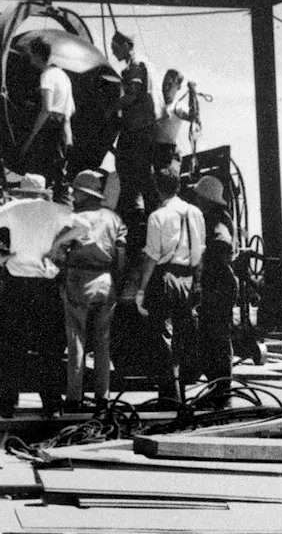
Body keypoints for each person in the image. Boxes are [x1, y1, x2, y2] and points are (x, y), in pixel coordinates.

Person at [0, 173, 75, 418]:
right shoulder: (56, 210)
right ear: (44, 192)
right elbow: (83, 226)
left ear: (22, 190)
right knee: (49, 348)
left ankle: (8, 404)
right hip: (45, 283)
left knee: (11, 345)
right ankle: (51, 403)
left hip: (16, 282)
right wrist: (55, 246)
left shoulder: (12, 207)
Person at [125, 165, 204, 409]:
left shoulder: (157, 216)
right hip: (188, 278)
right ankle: (178, 394)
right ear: (178, 186)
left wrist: (141, 289)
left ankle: (169, 396)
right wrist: (198, 283)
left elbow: (151, 257)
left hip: (165, 278)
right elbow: (200, 252)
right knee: (181, 335)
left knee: (162, 337)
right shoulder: (196, 212)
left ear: (157, 188)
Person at [47, 169, 126, 412]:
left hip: (78, 279)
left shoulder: (75, 219)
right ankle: (103, 398)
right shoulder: (114, 219)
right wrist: (118, 283)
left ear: (83, 194)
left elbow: (59, 253)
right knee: (103, 342)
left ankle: (74, 398)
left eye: (75, 192)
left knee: (76, 340)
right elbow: (121, 255)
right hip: (106, 280)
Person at [191, 175, 236, 407]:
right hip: (217, 282)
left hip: (219, 284)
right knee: (212, 336)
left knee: (217, 337)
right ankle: (217, 388)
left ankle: (222, 391)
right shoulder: (215, 217)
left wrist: (204, 258)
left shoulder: (216, 220)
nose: (197, 200)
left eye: (199, 196)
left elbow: (222, 244)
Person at [111, 31, 162, 229]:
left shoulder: (136, 65)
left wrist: (111, 108)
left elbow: (131, 96)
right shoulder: (144, 64)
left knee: (132, 175)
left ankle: (141, 220)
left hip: (138, 130)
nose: (114, 54)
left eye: (116, 49)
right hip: (143, 130)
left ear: (126, 45)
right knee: (141, 177)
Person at [19, 37, 75, 206]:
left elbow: (47, 108)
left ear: (36, 55)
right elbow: (71, 109)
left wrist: (32, 137)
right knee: (58, 176)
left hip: (50, 128)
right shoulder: (63, 76)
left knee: (42, 176)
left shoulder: (47, 76)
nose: (30, 59)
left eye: (31, 55)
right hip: (63, 127)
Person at [154, 69, 202, 172]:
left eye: (171, 83)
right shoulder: (154, 104)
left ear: (178, 87)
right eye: (165, 81)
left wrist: (192, 94)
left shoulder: (178, 106)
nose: (167, 85)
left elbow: (193, 117)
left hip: (167, 154)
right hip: (151, 152)